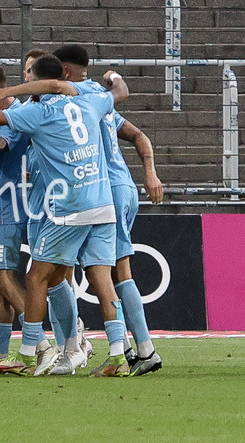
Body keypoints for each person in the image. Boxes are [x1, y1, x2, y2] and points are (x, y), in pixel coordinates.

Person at [0, 54, 133, 377]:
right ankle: (118, 352)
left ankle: (37, 350)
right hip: (101, 202)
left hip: (66, 205)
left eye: (29, 76)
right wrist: (114, 77)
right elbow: (118, 92)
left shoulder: (39, 112)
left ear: (37, 83)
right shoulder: (91, 101)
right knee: (92, 278)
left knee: (34, 279)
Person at [51, 44, 164, 375]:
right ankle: (130, 349)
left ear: (66, 72)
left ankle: (141, 350)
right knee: (107, 269)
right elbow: (138, 134)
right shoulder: (99, 99)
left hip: (106, 190)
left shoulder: (77, 101)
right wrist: (150, 171)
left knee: (111, 271)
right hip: (124, 186)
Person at [0, 59, 58, 376]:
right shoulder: (11, 112)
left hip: (7, 205)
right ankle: (1, 357)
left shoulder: (16, 116)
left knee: (2, 276)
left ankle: (43, 346)